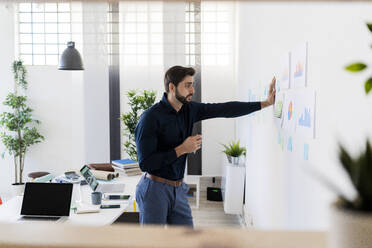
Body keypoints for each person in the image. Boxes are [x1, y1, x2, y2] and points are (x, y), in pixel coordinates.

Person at [135, 65, 276, 227]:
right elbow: (145, 163)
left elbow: (224, 109)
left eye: (192, 84)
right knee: (152, 243)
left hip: (178, 189)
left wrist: (265, 103)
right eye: (187, 85)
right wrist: (182, 149)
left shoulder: (189, 110)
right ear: (171, 87)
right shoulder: (150, 118)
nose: (192, 90)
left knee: (187, 239)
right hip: (154, 189)